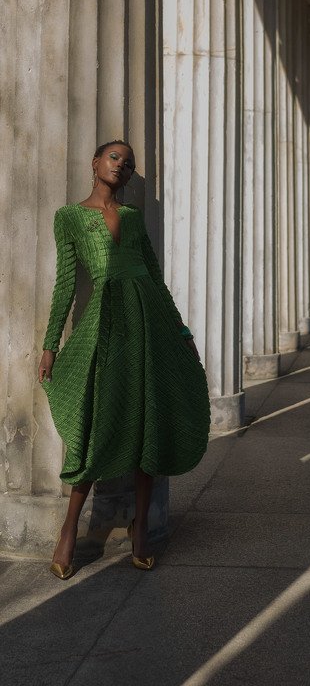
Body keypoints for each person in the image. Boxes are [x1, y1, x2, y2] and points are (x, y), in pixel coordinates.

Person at [38, 140, 211, 579]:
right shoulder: (69, 217)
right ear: (95, 162)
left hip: (149, 322)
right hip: (107, 323)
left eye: (129, 164)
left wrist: (182, 331)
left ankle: (141, 528)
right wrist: (50, 344)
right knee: (99, 424)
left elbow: (155, 278)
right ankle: (69, 529)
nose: (122, 166)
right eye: (115, 158)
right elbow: (65, 283)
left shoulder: (133, 218)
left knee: (147, 421)